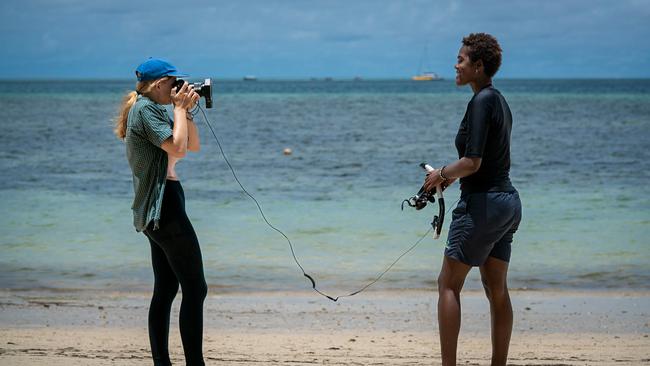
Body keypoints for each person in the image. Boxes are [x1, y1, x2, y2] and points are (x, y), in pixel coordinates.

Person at [422, 33, 522, 366]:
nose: (456, 64)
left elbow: (473, 161)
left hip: (483, 205)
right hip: (506, 203)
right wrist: (450, 177)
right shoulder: (499, 101)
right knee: (497, 290)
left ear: (478, 67)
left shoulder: (481, 101)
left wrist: (441, 174)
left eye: (461, 59)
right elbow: (486, 162)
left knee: (447, 285)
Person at [114, 58, 206, 366]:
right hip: (162, 204)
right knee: (196, 287)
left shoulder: (152, 109)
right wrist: (178, 110)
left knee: (167, 288)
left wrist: (187, 112)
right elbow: (177, 149)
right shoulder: (144, 110)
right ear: (158, 85)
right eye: (173, 83)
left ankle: (162, 363)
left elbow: (191, 146)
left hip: (164, 201)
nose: (178, 87)